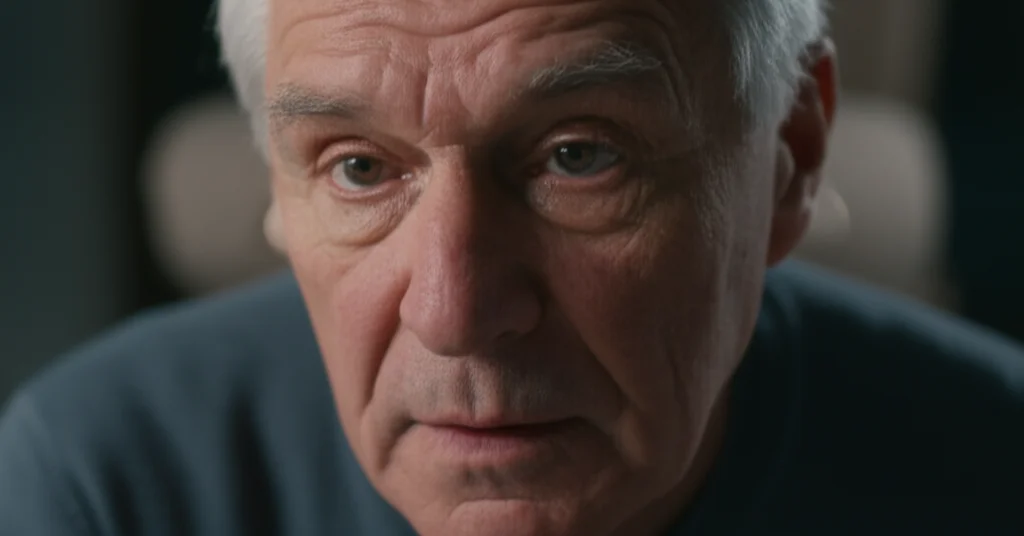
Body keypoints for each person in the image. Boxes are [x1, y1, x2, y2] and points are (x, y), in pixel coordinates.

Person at [1, 0, 1022, 534]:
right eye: (359, 168)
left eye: (579, 155)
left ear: (789, 154)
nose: (453, 310)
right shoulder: (105, 487)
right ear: (278, 186)